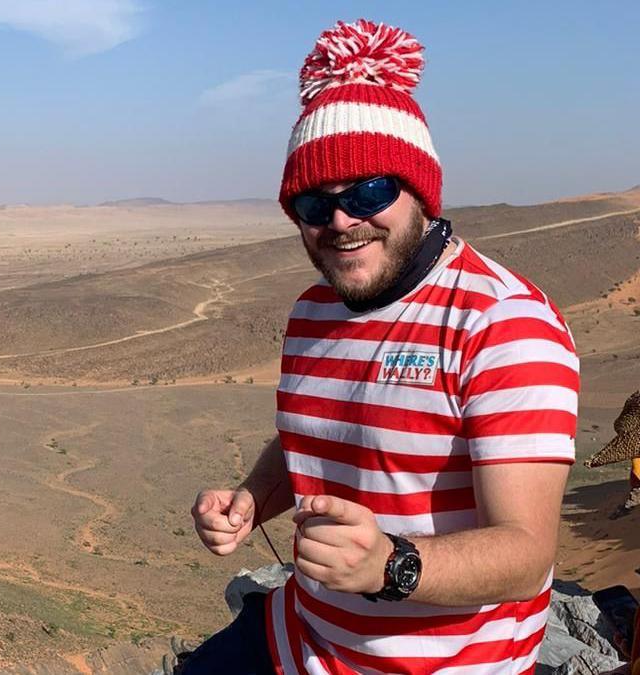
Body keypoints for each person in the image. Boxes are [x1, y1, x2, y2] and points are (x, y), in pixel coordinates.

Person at [182, 19, 580, 674]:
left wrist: (388, 565)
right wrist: (253, 499)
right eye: (314, 203)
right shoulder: (314, 310)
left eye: (368, 192)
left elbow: (526, 552)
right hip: (301, 637)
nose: (341, 221)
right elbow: (314, 436)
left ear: (419, 190)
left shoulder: (502, 324)